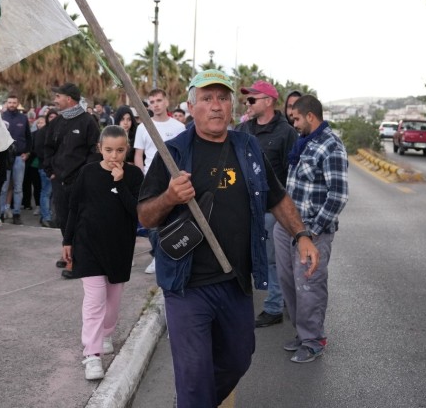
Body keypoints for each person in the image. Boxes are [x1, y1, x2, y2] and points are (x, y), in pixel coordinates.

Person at [137, 69, 319, 408]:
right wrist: (170, 198)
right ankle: (194, 399)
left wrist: (302, 235)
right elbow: (145, 215)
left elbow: (276, 197)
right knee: (193, 375)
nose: (216, 106)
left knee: (239, 358)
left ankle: (196, 399)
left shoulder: (247, 147)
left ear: (232, 107)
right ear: (192, 107)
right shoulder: (173, 153)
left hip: (235, 281)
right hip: (187, 285)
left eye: (223, 98)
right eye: (207, 98)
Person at [62, 125, 144, 380]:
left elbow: (137, 212)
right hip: (88, 247)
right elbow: (74, 208)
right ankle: (92, 354)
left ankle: (107, 332)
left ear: (126, 149)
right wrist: (68, 240)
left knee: (113, 301)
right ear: (99, 148)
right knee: (94, 300)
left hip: (119, 247)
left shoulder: (134, 176)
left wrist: (120, 184)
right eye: (108, 150)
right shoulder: (87, 173)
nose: (114, 156)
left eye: (119, 150)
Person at [276, 95, 349, 363]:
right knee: (290, 283)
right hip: (288, 227)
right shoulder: (303, 143)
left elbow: (339, 194)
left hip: (312, 231)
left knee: (309, 285)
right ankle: (302, 332)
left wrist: (312, 231)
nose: (292, 123)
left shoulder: (331, 145)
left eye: (295, 118)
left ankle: (313, 339)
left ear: (310, 116)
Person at [237, 80, 299, 328]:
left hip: (273, 209)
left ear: (269, 101)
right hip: (245, 208)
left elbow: (292, 174)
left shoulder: (286, 133)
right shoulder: (243, 130)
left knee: (273, 259)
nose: (248, 103)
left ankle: (274, 306)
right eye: (247, 100)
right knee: (250, 257)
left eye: (252, 99)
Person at [43, 83, 100, 278]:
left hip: (79, 182)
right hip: (59, 181)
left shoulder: (88, 121)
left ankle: (75, 262)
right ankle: (67, 252)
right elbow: (47, 148)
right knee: (63, 219)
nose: (55, 100)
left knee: (78, 222)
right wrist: (50, 170)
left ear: (69, 99)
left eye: (58, 96)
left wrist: (85, 175)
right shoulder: (57, 122)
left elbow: (95, 151)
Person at [133, 88, 186, 275]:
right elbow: (138, 154)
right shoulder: (142, 127)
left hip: (172, 181)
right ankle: (157, 255)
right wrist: (142, 177)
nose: (155, 104)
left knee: (173, 219)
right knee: (152, 222)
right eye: (152, 101)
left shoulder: (178, 127)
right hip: (150, 181)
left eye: (158, 100)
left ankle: (172, 252)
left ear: (166, 102)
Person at [0, 95, 31, 224]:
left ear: (18, 104)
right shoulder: (1, 118)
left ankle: (16, 213)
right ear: (6, 103)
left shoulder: (23, 118)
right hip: (4, 157)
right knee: (3, 188)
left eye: (14, 102)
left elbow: (29, 137)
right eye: (10, 102)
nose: (12, 104)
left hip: (19, 157)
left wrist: (28, 152)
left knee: (18, 187)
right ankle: (0, 213)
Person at [32, 109, 57, 227]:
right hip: (46, 168)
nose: (53, 119)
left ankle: (48, 216)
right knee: (46, 193)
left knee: (52, 194)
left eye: (55, 116)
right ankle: (46, 217)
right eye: (50, 116)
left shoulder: (60, 131)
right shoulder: (42, 132)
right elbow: (39, 151)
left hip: (58, 168)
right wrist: (50, 165)